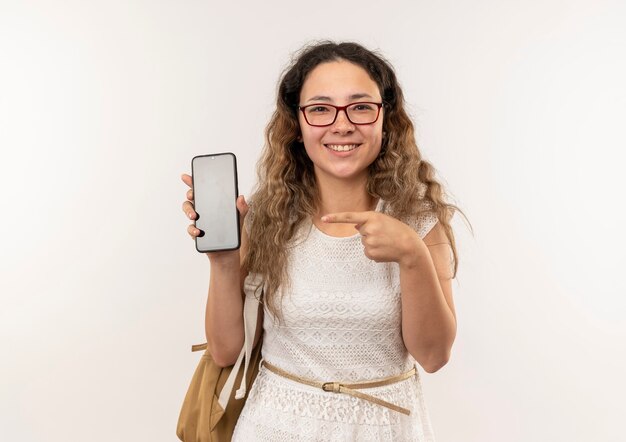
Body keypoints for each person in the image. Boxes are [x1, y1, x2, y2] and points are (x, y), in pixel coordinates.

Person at [181, 41, 464, 441]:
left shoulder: (418, 221)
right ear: (296, 125)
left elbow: (434, 357)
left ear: (387, 119)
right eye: (320, 108)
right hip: (274, 426)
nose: (342, 124)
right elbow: (226, 351)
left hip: (384, 430)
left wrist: (412, 256)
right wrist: (224, 259)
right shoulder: (269, 218)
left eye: (361, 106)